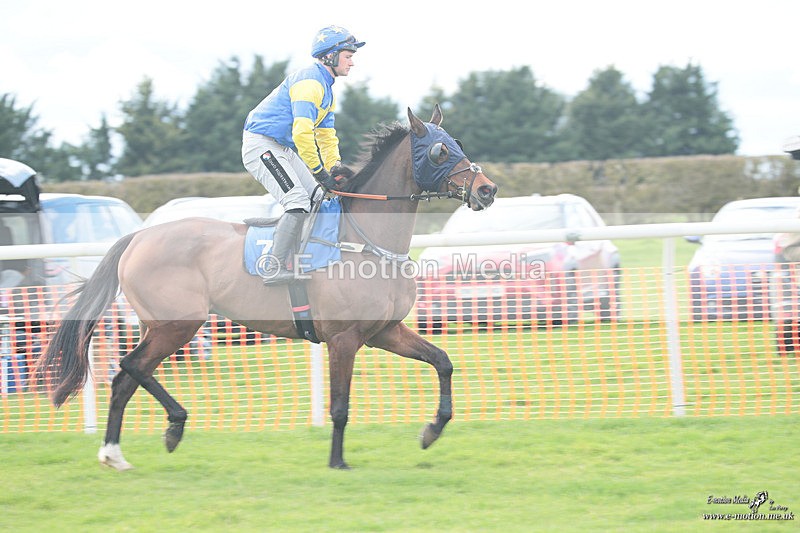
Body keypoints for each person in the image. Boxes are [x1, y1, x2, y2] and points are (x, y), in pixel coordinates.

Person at [242, 25, 365, 285]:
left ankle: (303, 256)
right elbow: (302, 134)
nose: (352, 62)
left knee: (318, 198)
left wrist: (335, 168)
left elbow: (326, 135)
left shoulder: (327, 87)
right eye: (348, 56)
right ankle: (273, 267)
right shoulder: (310, 82)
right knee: (297, 201)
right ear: (330, 56)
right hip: (261, 145)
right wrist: (319, 171)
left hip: (279, 147)